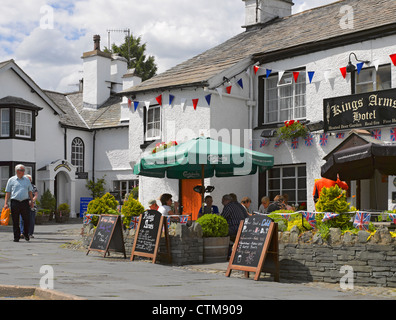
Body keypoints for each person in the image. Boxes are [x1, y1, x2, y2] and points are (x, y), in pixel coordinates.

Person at [4, 164, 34, 242]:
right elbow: (8, 192)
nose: (23, 172)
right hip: (15, 201)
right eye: (21, 170)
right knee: (15, 220)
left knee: (26, 219)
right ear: (17, 171)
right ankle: (16, 237)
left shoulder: (27, 180)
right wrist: (6, 203)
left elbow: (30, 191)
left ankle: (26, 234)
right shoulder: (11, 180)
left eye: (23, 170)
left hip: (24, 201)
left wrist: (32, 201)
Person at [20, 175, 38, 239]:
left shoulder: (33, 186)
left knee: (31, 220)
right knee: (22, 219)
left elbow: (36, 195)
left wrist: (32, 201)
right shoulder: (21, 186)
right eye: (27, 179)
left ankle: (30, 233)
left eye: (30, 180)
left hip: (32, 204)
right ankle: (22, 233)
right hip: (23, 204)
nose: (28, 181)